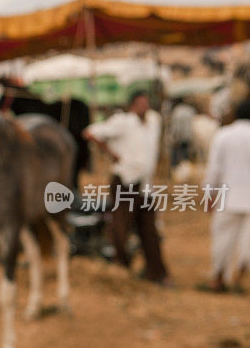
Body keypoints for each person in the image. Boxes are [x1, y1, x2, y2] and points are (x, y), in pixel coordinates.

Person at [83, 91, 171, 285]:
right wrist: (112, 154)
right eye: (140, 103)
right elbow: (91, 132)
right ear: (132, 105)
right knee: (120, 228)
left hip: (145, 185)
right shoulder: (123, 122)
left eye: (146, 103)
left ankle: (156, 272)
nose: (144, 107)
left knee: (150, 230)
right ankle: (121, 268)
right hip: (125, 181)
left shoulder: (153, 121)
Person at [199, 98, 250, 293]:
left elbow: (214, 170)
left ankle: (218, 278)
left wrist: (209, 196)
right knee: (249, 241)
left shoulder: (223, 136)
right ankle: (238, 279)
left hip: (227, 197)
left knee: (222, 238)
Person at [168, 97, 195, 168]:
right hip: (188, 136)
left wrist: (174, 137)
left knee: (176, 156)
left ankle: (175, 170)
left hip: (179, 137)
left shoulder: (177, 111)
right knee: (185, 155)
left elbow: (176, 126)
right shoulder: (190, 110)